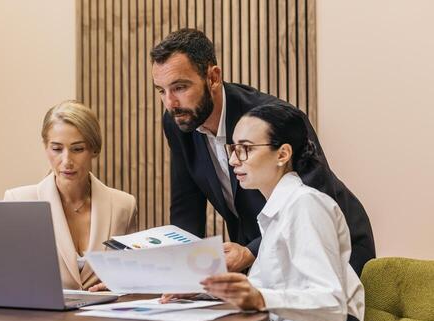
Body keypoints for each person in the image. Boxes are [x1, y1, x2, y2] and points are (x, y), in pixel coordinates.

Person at [150, 28, 375, 276]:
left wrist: (251, 252)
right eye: (161, 90)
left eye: (180, 87)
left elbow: (316, 199)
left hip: (329, 250)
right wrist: (177, 275)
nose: (170, 103)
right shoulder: (177, 121)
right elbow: (186, 210)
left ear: (213, 77)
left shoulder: (275, 118)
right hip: (258, 255)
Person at [201, 103, 369, 321]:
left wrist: (259, 298)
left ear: (283, 154)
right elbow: (261, 293)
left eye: (245, 148)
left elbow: (332, 302)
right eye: (232, 149)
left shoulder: (305, 204)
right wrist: (198, 292)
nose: (233, 160)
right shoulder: (275, 215)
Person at [4, 100, 137, 290]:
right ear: (45, 148)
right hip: (41, 317)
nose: (66, 161)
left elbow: (130, 274)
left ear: (94, 149)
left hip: (104, 316)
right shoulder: (19, 201)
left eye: (77, 149)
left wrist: (121, 283)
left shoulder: (124, 205)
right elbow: (9, 275)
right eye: (57, 149)